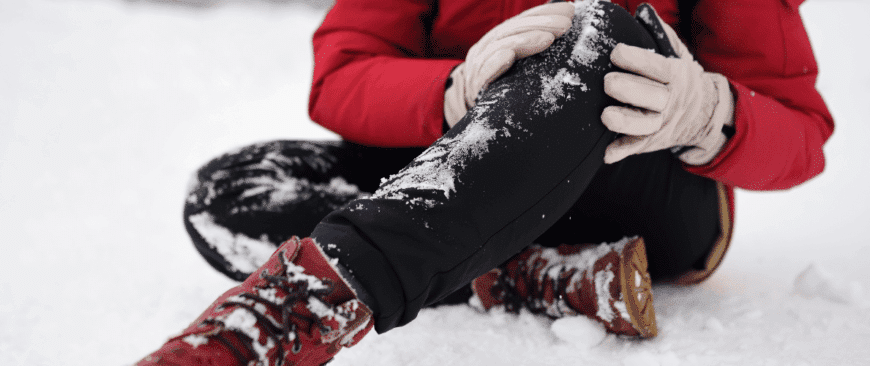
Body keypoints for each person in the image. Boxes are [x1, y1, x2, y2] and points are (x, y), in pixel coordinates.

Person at [136, 0, 833, 364]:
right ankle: (524, 274)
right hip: (465, 166)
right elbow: (342, 73)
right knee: (233, 191)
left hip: (642, 190)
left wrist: (713, 111)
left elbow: (802, 130)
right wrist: (453, 88)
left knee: (593, 32)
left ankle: (289, 315)